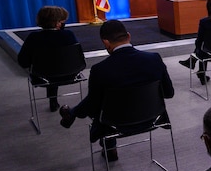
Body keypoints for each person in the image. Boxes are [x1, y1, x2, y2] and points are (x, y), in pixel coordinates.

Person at [58, 20, 174, 161]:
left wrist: (79, 111)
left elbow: (93, 107)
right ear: (128, 36)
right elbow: (169, 93)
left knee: (100, 105)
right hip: (153, 118)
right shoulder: (154, 59)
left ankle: (107, 143)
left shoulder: (100, 70)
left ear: (106, 43)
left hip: (114, 124)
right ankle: (73, 114)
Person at [17, 5, 80, 112]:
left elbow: (23, 61)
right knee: (55, 67)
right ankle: (53, 101)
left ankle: (53, 101)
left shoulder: (34, 37)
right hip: (71, 75)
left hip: (41, 76)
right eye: (62, 21)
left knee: (50, 69)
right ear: (57, 23)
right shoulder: (68, 35)